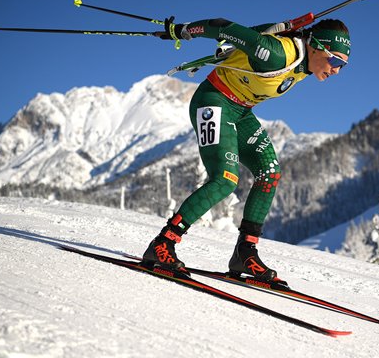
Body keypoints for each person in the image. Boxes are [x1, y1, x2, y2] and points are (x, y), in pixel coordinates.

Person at [141, 16, 350, 282]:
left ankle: (245, 253)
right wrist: (184, 31)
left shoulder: (304, 62)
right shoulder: (275, 55)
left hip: (240, 111)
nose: (336, 70)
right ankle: (162, 244)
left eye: (343, 65)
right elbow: (223, 27)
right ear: (318, 46)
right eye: (336, 61)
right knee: (225, 179)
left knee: (269, 172)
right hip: (213, 100)